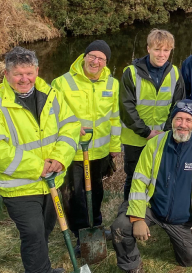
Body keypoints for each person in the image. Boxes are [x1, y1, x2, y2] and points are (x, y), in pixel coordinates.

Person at [0, 47, 80, 273]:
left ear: (37, 71)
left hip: (52, 181)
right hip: (20, 187)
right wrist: (38, 167)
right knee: (33, 233)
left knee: (44, 230)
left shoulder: (51, 95)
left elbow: (70, 127)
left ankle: (43, 269)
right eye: (18, 74)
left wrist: (59, 158)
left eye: (29, 73)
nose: (25, 79)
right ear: (6, 74)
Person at [111, 101, 192, 271]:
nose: (183, 125)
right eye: (178, 119)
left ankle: (180, 238)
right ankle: (131, 265)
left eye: (188, 120)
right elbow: (139, 182)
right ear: (172, 120)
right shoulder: (155, 144)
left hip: (182, 219)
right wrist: (137, 218)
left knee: (190, 258)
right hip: (152, 208)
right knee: (121, 226)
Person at [52, 40, 120, 249]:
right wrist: (72, 129)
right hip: (73, 150)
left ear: (106, 62)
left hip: (98, 151)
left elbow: (114, 118)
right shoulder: (62, 83)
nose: (96, 61)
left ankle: (96, 226)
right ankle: (80, 232)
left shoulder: (112, 83)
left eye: (101, 58)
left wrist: (115, 146)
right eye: (93, 56)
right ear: (84, 56)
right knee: (76, 194)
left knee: (96, 192)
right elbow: (53, 116)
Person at [120, 29, 185, 201]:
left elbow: (178, 106)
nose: (162, 54)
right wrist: (146, 132)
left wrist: (167, 131)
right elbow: (126, 108)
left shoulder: (175, 73)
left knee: (159, 175)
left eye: (166, 50)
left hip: (163, 138)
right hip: (136, 138)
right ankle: (129, 214)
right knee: (134, 177)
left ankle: (153, 213)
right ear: (148, 48)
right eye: (157, 49)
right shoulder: (131, 72)